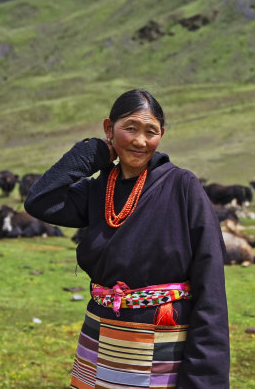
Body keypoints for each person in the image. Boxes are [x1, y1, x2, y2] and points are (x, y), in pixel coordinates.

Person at [25, 89, 230, 388]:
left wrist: (205, 376)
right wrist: (93, 153)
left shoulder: (181, 186)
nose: (140, 140)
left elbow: (210, 282)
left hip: (160, 340)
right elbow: (40, 201)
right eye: (130, 128)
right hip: (99, 335)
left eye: (151, 131)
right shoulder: (99, 189)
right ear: (110, 128)